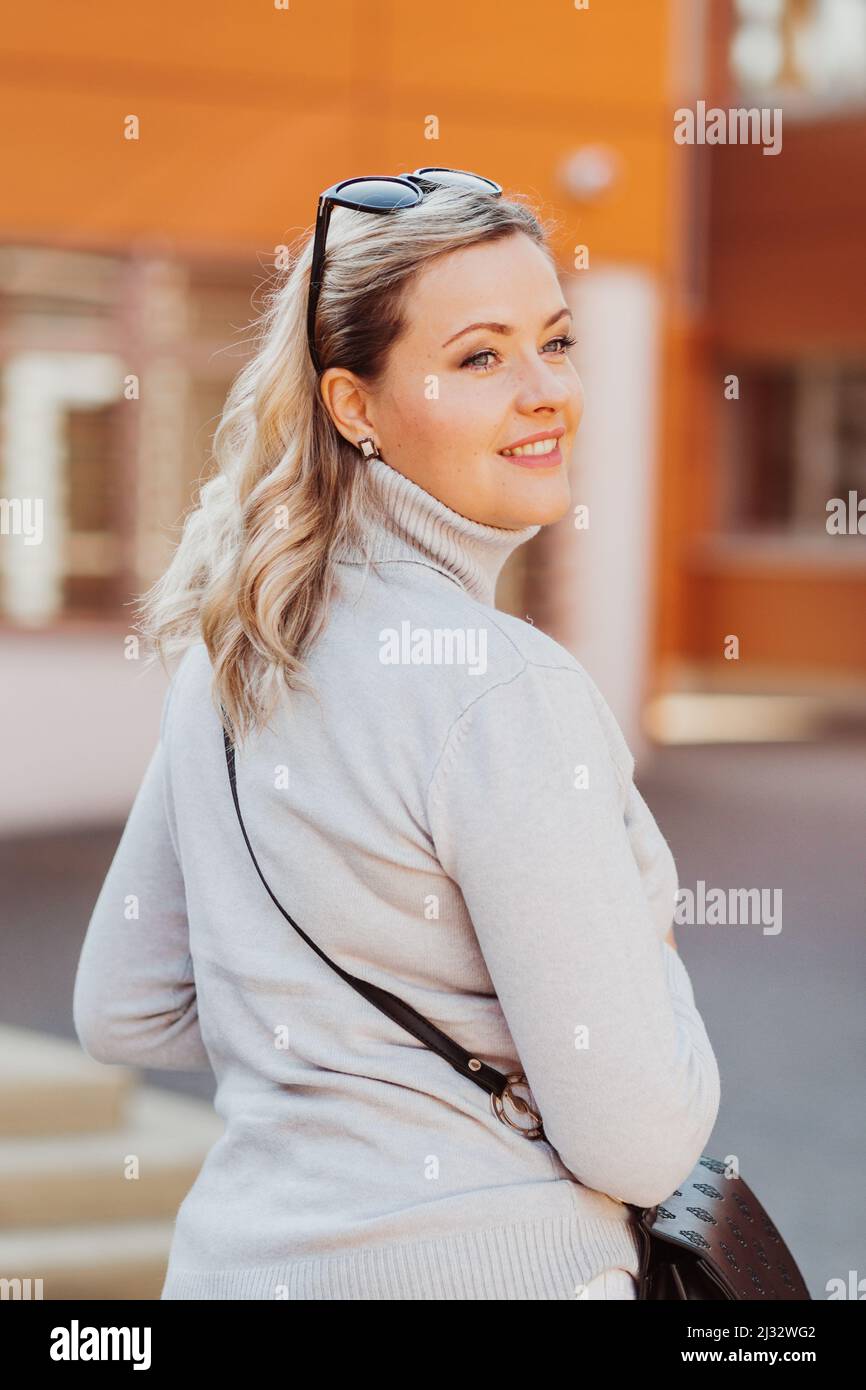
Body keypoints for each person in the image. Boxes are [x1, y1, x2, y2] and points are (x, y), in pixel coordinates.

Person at [73, 170, 721, 1301]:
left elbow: (123, 1006)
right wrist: (646, 940)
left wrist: (324, 1055)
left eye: (555, 343)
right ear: (352, 405)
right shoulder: (500, 686)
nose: (544, 392)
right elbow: (640, 1140)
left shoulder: (235, 653)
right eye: (478, 356)